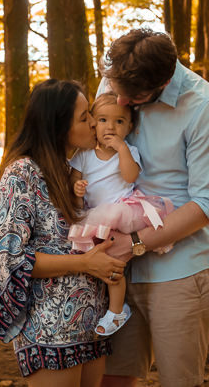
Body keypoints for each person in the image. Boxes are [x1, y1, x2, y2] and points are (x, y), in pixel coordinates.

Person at [97, 29, 209, 387]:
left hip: (180, 272)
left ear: (164, 81)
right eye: (115, 90)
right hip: (114, 271)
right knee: (111, 379)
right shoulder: (114, 84)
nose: (120, 103)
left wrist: (135, 243)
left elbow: (207, 203)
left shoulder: (208, 109)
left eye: (133, 97)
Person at [0, 79, 127, 387]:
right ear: (58, 125)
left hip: (92, 322)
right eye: (84, 116)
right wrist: (85, 263)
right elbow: (8, 258)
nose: (92, 123)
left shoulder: (72, 172)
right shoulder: (22, 174)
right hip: (48, 329)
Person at [67, 93, 175, 337]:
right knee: (107, 262)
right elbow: (74, 189)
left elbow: (129, 177)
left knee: (114, 254)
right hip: (96, 219)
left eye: (119, 122)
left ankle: (116, 309)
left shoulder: (129, 151)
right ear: (94, 123)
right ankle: (110, 308)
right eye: (103, 120)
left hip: (124, 211)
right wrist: (77, 189)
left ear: (129, 127)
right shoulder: (83, 156)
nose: (110, 128)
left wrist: (122, 149)